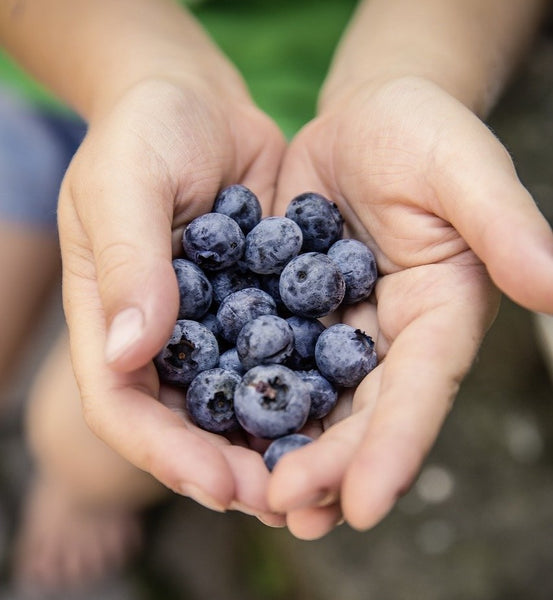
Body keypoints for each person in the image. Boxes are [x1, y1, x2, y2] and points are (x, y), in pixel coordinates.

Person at [0, 0, 552, 589]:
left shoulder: (291, 308)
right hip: (65, 84)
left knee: (78, 440)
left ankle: (79, 490)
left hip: (316, 110)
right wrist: (143, 74)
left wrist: (411, 73)